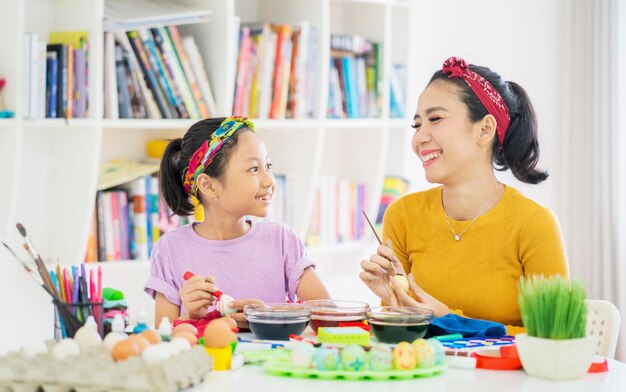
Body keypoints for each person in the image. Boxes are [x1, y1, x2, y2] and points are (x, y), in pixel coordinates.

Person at [359, 57, 568, 334]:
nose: (419, 138)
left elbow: (557, 338)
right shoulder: (403, 215)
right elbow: (403, 337)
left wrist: (448, 319)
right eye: (417, 125)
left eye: (435, 119)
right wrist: (393, 301)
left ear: (485, 129)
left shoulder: (533, 224)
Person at [145, 116, 330, 328]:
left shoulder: (282, 241)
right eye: (254, 169)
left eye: (268, 165)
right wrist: (192, 316)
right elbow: (164, 339)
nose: (269, 180)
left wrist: (266, 315)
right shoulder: (170, 249)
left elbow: (328, 319)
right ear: (208, 185)